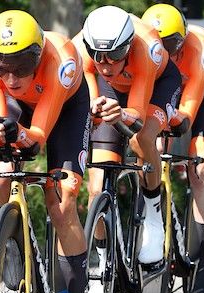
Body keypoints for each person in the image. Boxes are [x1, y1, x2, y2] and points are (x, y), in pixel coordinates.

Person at [0, 10, 91, 293]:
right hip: (21, 111)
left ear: (38, 56)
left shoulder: (61, 59)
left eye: (22, 66)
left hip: (65, 110)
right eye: (2, 66)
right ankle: (12, 245)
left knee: (63, 201)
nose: (10, 76)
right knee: (0, 180)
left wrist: (18, 133)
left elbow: (37, 137)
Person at [72, 6, 182, 265]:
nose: (106, 64)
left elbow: (138, 116)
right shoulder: (80, 50)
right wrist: (95, 109)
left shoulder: (146, 49)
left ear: (129, 47)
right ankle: (103, 263)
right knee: (97, 187)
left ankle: (154, 215)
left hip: (156, 86)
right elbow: (90, 101)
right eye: (98, 56)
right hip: (112, 92)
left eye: (115, 55)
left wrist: (121, 114)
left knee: (141, 137)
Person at [141, 4, 204, 293]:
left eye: (173, 46)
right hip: (168, 88)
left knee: (199, 169)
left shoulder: (201, 49)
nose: (167, 53)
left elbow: (186, 115)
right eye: (161, 46)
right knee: (151, 147)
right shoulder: (145, 52)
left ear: (183, 39)